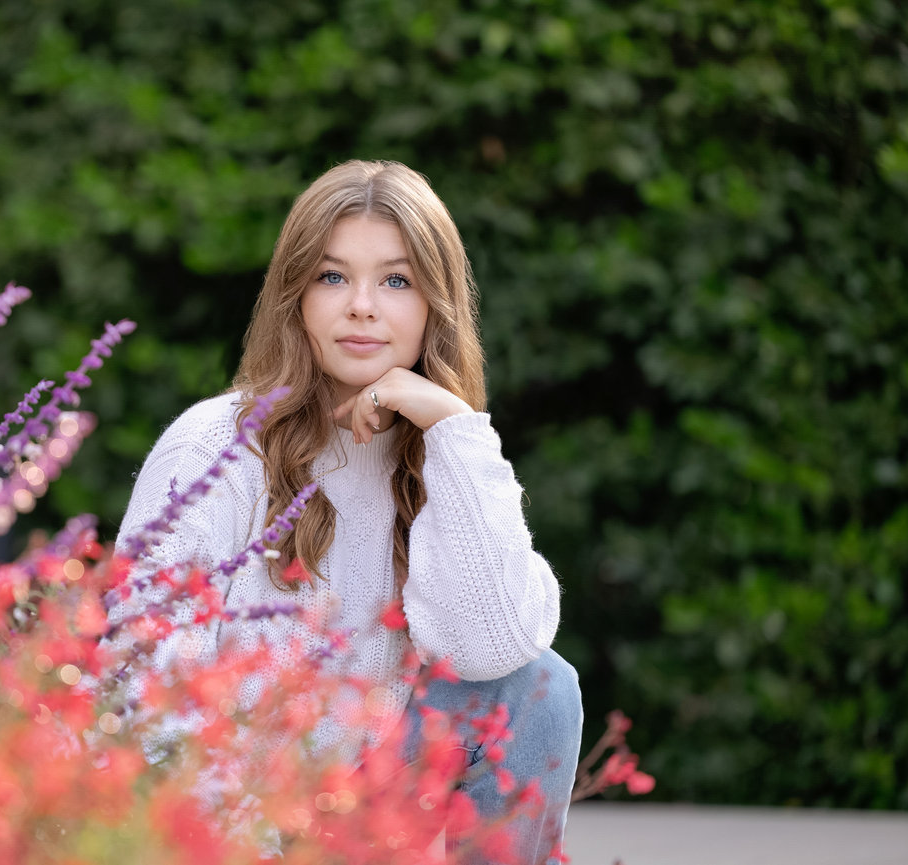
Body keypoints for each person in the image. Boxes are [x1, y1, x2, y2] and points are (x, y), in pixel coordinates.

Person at [115, 160, 583, 864]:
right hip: (229, 832)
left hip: (359, 829)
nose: (362, 305)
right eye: (333, 276)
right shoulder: (212, 449)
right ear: (295, 295)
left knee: (540, 684)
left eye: (396, 280)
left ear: (435, 303)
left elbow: (494, 649)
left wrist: (454, 429)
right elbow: (140, 688)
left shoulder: (443, 455)